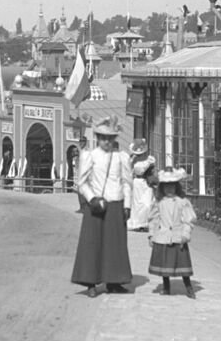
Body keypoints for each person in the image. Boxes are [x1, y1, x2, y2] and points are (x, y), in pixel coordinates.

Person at [71, 118, 133, 297]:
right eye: (103, 137)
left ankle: (114, 281)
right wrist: (92, 199)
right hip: (97, 206)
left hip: (116, 203)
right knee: (92, 243)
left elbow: (127, 183)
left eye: (110, 138)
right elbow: (81, 183)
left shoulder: (121, 157)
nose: (107, 141)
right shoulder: (90, 155)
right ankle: (90, 282)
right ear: (97, 137)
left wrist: (127, 205)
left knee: (115, 245)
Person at [147, 167, 197, 298]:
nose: (169, 189)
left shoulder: (182, 202)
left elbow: (188, 219)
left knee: (182, 264)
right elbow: (153, 219)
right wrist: (152, 234)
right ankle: (166, 286)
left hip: (177, 236)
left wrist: (185, 234)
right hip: (163, 236)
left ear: (176, 187)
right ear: (162, 188)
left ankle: (189, 287)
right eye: (166, 187)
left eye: (172, 186)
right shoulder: (159, 202)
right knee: (165, 264)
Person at [127, 139, 157, 232]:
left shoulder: (149, 159)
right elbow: (131, 171)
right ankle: (138, 224)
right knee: (137, 204)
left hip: (146, 182)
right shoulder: (133, 159)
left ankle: (146, 223)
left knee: (147, 203)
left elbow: (147, 169)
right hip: (137, 182)